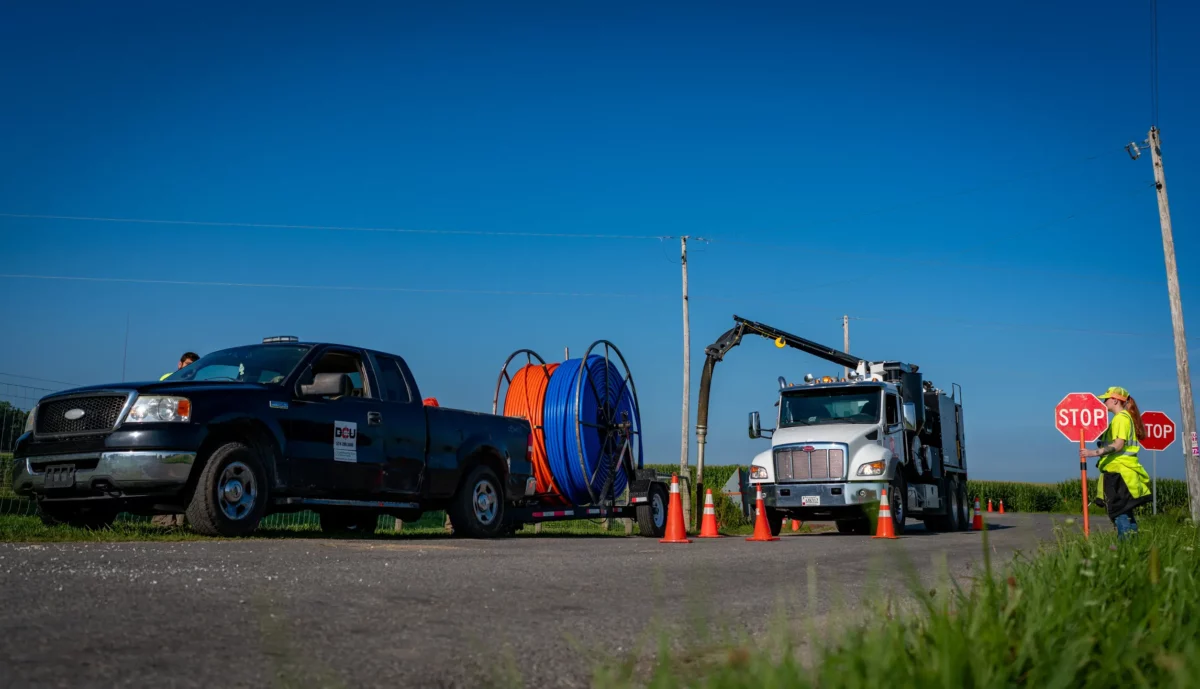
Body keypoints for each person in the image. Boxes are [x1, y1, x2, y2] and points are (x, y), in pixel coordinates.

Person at [1080, 386, 1152, 540]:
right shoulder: (1123, 419)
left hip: (1119, 473)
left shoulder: (1120, 418)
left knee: (1119, 513)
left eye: (1106, 399)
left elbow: (1118, 445)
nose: (1104, 402)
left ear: (1115, 400)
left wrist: (1093, 453)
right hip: (1123, 472)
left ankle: (1125, 550)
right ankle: (1133, 549)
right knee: (1125, 513)